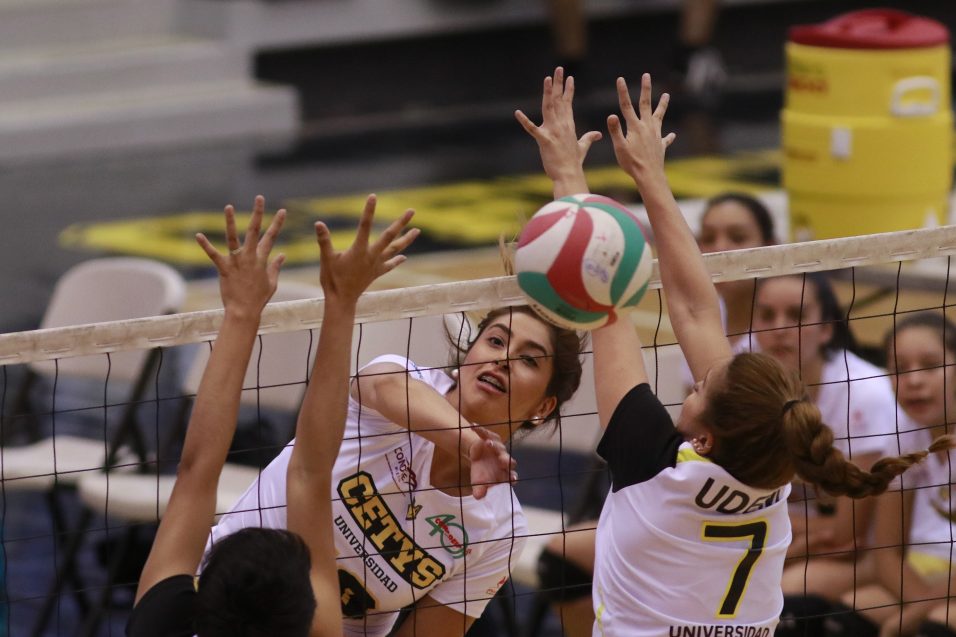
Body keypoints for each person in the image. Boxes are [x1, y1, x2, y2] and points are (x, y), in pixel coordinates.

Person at [526, 69, 948, 635]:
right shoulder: (766, 470)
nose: (697, 381)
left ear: (703, 437)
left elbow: (601, 289)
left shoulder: (659, 469)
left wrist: (569, 177)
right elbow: (695, 312)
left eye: (701, 387)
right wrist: (649, 177)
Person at [206, 217, 587, 633]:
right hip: (229, 603)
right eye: (496, 341)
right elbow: (385, 387)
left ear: (544, 407)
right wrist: (471, 445)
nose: (502, 359)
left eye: (528, 359)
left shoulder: (500, 528)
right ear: (467, 356)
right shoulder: (398, 383)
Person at [127, 194, 418, 637]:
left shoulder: (160, 625)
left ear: (201, 595)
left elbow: (196, 469)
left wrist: (241, 313)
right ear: (309, 618)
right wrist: (340, 302)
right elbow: (307, 473)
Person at [796, 313, 956, 637]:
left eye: (929, 366)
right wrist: (916, 609)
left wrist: (915, 616)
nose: (913, 380)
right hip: (920, 575)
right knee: (842, 622)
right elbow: (886, 552)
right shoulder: (905, 437)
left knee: (932, 628)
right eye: (899, 369)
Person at [751, 272, 901, 602]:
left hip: (870, 554)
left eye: (796, 315)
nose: (779, 328)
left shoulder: (865, 393)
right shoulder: (748, 388)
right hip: (783, 542)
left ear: (826, 328)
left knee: (777, 593)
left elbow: (847, 535)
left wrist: (774, 526)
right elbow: (739, 512)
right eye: (766, 315)